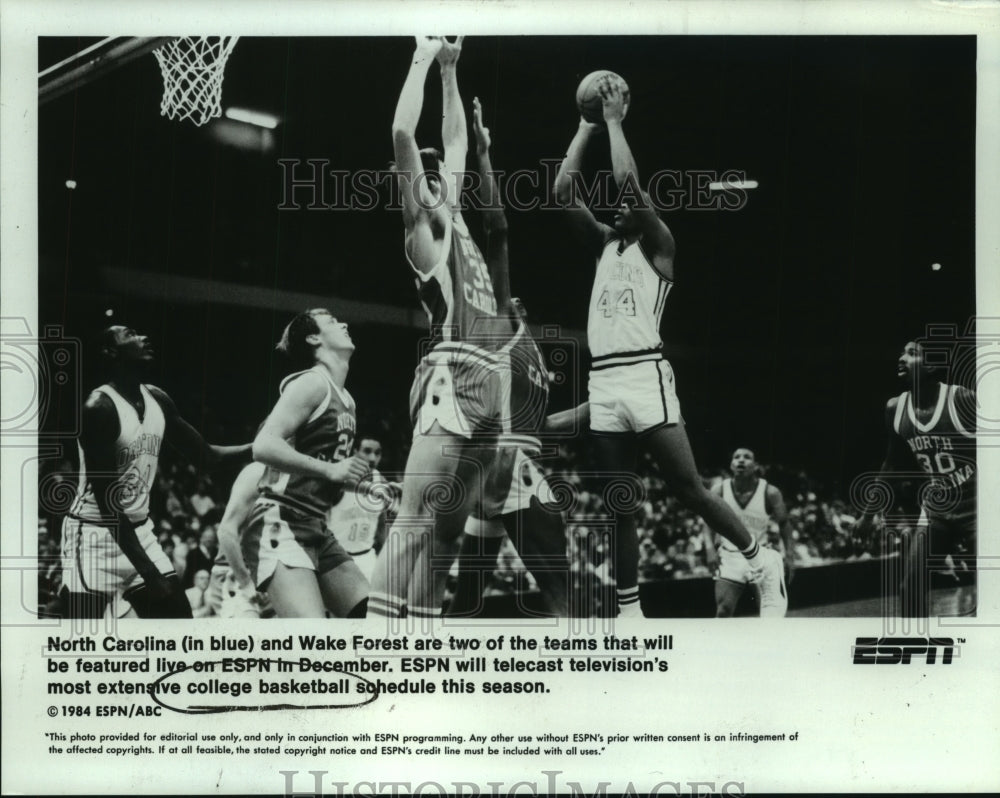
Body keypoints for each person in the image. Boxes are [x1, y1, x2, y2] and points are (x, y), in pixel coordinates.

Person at [553, 74, 786, 617]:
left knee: (689, 490)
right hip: (605, 380)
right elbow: (563, 192)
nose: (616, 206)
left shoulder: (660, 246)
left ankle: (759, 559)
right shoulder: (604, 247)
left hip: (646, 374)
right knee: (621, 507)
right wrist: (586, 126)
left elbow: (629, 185)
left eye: (626, 204)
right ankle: (630, 611)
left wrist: (614, 122)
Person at [370, 36, 505, 619]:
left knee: (448, 536)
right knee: (412, 523)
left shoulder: (457, 217)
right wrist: (424, 55)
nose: (433, 166)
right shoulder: (424, 235)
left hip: (490, 385)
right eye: (423, 168)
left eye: (436, 167)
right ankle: (371, 650)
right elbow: (404, 134)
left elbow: (451, 139)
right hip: (450, 373)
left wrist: (453, 70)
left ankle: (424, 645)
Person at [59, 325, 251, 620]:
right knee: (82, 646)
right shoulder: (99, 408)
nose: (144, 336)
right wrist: (149, 573)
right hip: (93, 535)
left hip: (138, 532)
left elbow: (207, 457)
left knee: (179, 631)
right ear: (111, 352)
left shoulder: (157, 400)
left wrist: (262, 447)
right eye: (131, 334)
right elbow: (109, 507)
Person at [244, 310, 371, 618]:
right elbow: (263, 445)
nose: (344, 323)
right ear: (314, 338)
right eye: (331, 322)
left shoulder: (347, 400)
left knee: (371, 619)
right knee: (314, 644)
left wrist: (370, 487)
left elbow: (328, 469)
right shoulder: (311, 383)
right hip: (281, 520)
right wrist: (331, 470)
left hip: (315, 524)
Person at [854, 339, 976, 616]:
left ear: (931, 365)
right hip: (938, 508)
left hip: (978, 505)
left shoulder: (962, 399)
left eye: (912, 353)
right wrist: (867, 514)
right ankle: (917, 647)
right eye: (901, 352)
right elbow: (891, 464)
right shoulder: (895, 408)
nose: (901, 358)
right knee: (910, 586)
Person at [702, 448, 793, 617]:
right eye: (736, 457)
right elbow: (707, 523)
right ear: (731, 465)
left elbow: (785, 524)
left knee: (768, 612)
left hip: (759, 555)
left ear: (756, 465)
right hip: (730, 556)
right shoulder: (719, 490)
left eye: (747, 457)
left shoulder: (770, 492)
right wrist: (709, 549)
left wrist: (790, 555)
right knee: (723, 611)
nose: (741, 460)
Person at [327, 435, 394, 582]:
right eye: (367, 451)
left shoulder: (382, 482)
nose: (372, 458)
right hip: (337, 557)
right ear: (355, 451)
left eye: (377, 453)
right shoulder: (341, 480)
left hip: (366, 557)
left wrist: (384, 558)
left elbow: (382, 526)